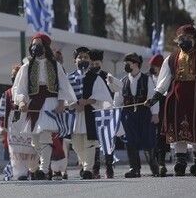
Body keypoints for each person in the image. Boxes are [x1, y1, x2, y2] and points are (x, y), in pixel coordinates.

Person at [145, 25, 196, 176]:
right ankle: (180, 162)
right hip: (176, 99)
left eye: (188, 38)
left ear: (195, 40)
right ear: (177, 41)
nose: (185, 41)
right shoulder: (171, 59)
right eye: (182, 39)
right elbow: (163, 82)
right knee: (178, 132)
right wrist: (153, 99)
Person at [13, 33, 76, 180]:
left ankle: (44, 169)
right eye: (33, 44)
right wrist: (21, 101)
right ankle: (46, 163)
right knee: (35, 140)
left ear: (45, 47)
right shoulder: (26, 66)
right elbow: (20, 88)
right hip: (34, 103)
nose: (35, 47)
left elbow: (64, 85)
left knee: (46, 135)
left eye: (39, 44)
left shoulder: (55, 65)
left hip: (50, 102)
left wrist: (61, 102)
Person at [67, 47, 113, 180]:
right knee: (76, 144)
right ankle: (84, 163)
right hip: (75, 114)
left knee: (89, 141)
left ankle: (88, 168)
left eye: (86, 57)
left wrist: (86, 102)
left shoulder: (95, 77)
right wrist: (74, 104)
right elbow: (63, 95)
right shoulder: (69, 78)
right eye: (80, 57)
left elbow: (102, 95)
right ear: (75, 60)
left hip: (89, 113)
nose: (83, 60)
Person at [111, 53, 159, 178]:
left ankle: (154, 166)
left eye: (128, 63)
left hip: (144, 114)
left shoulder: (146, 79)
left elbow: (152, 97)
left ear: (136, 64)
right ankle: (134, 168)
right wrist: (114, 113)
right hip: (128, 116)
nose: (126, 66)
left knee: (148, 140)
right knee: (130, 141)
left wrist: (155, 113)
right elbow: (117, 100)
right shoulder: (123, 81)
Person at [0, 64, 39, 181]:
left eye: (17, 75)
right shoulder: (8, 93)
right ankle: (20, 172)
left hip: (28, 120)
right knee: (16, 149)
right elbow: (3, 111)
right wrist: (3, 126)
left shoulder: (31, 91)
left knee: (31, 147)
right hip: (15, 121)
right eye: (13, 76)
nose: (14, 77)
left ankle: (33, 169)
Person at [88, 49, 121, 179]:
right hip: (92, 112)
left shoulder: (107, 75)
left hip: (106, 113)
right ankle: (95, 168)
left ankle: (109, 167)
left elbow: (118, 88)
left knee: (108, 140)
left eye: (97, 64)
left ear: (101, 62)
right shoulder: (87, 76)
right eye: (92, 64)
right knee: (95, 142)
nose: (94, 66)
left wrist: (112, 81)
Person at [148, 53, 170, 176]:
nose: (153, 68)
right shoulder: (148, 79)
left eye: (155, 66)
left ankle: (161, 162)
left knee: (161, 137)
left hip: (163, 112)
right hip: (150, 113)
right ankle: (154, 162)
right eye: (152, 65)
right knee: (152, 138)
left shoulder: (165, 79)